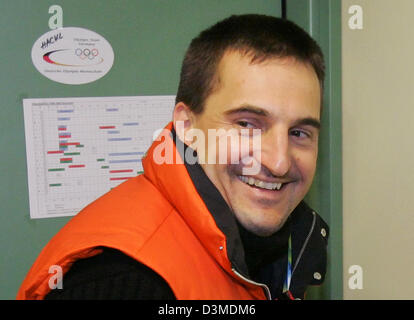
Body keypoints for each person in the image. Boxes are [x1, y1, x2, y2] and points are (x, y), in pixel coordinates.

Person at [17, 14, 329, 300]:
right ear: (187, 126)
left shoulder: (278, 248)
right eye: (247, 124)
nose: (278, 162)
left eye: (299, 133)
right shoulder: (121, 279)